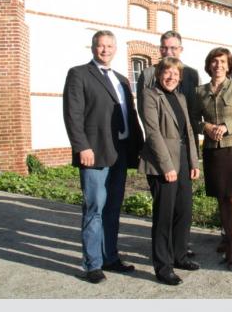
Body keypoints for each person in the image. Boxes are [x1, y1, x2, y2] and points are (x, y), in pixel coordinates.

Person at [62, 30, 144, 284]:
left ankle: (110, 257)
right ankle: (92, 264)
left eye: (109, 46)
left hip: (119, 152)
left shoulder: (121, 79)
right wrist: (81, 146)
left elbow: (130, 114)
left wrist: (138, 146)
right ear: (93, 47)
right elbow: (72, 114)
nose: (105, 50)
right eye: (101, 46)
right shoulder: (79, 74)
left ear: (115, 49)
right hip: (94, 152)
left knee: (113, 208)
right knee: (94, 208)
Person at [136, 30, 200, 258]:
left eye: (173, 48)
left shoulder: (188, 82)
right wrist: (166, 165)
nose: (168, 51)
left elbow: (190, 124)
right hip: (162, 155)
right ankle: (164, 261)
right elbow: (150, 127)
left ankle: (179, 252)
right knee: (165, 211)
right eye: (165, 48)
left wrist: (194, 159)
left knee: (184, 209)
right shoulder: (148, 79)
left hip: (183, 153)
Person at [194, 47, 232, 270]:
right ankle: (225, 236)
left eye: (222, 61)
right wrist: (207, 126)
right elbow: (193, 120)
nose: (218, 65)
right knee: (220, 198)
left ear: (229, 65)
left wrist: (227, 126)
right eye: (214, 61)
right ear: (209, 64)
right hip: (213, 150)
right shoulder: (199, 91)